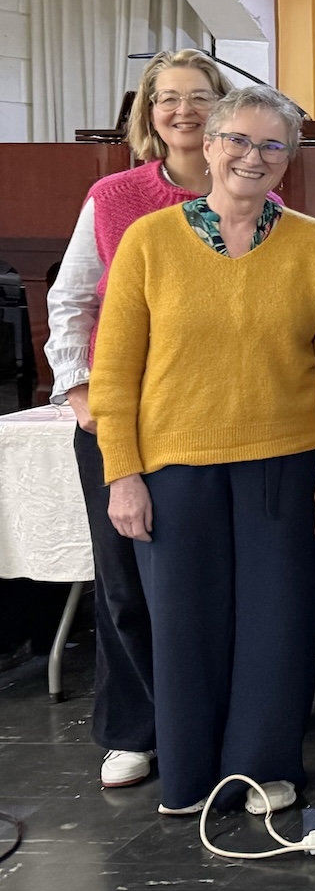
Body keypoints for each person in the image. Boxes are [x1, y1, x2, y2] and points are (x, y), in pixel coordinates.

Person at [92, 84, 315, 815]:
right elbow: (114, 373)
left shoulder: (314, 243)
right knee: (185, 628)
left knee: (278, 623)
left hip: (287, 461)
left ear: (290, 159)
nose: (253, 156)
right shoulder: (150, 242)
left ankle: (263, 767)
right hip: (174, 468)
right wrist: (123, 474)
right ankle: (189, 775)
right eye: (238, 141)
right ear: (208, 146)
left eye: (272, 144)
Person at [44, 49, 227, 791]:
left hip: (214, 417)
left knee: (207, 579)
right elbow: (71, 298)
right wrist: (79, 394)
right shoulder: (115, 195)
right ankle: (135, 728)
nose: (184, 112)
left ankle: (209, 718)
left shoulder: (247, 192)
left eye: (199, 97)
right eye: (167, 99)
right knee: (125, 580)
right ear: (147, 114)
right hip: (122, 417)